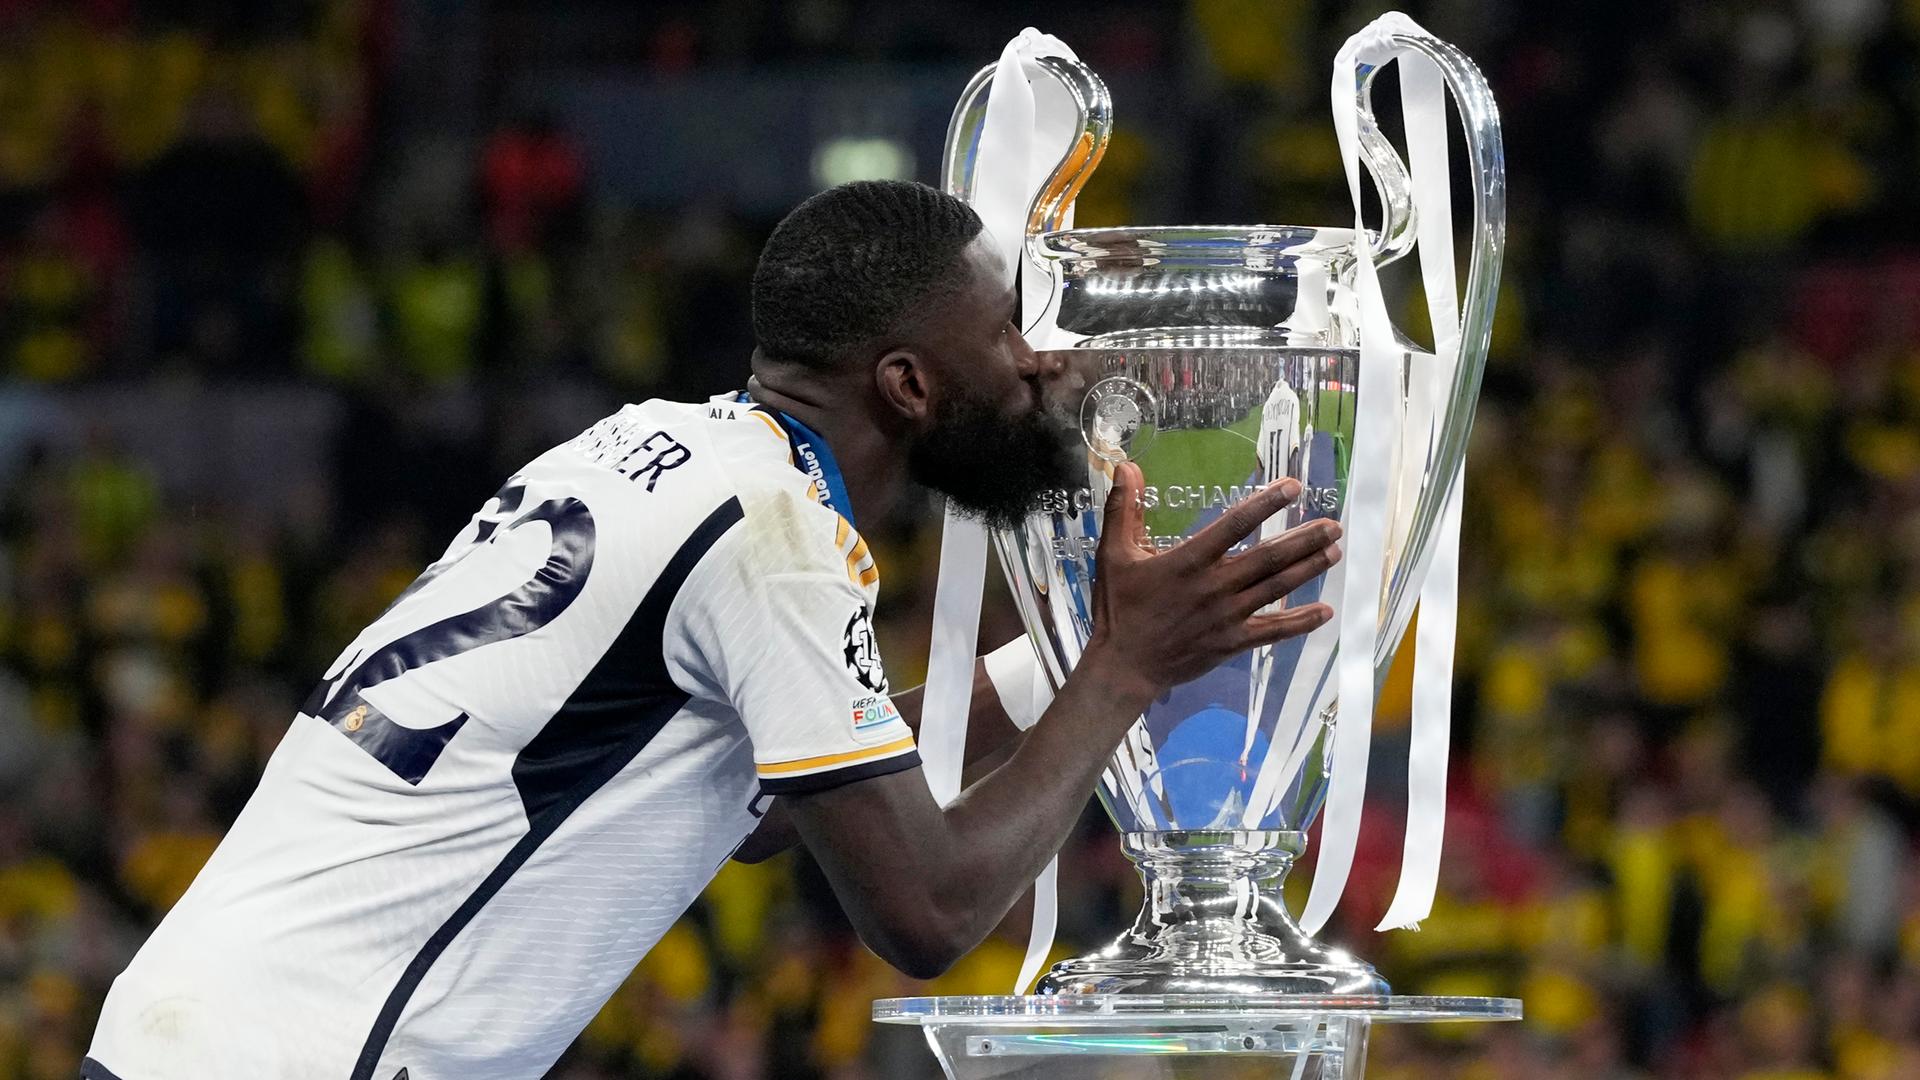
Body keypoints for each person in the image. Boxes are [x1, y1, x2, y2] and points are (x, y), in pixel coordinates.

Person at [82, 180, 1342, 1080]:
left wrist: (1057, 657)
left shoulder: (650, 450)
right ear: (907, 385)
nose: (1037, 364)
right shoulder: (770, 528)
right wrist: (1124, 670)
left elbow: (776, 805)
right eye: (1004, 331)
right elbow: (927, 912)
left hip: (194, 1032)